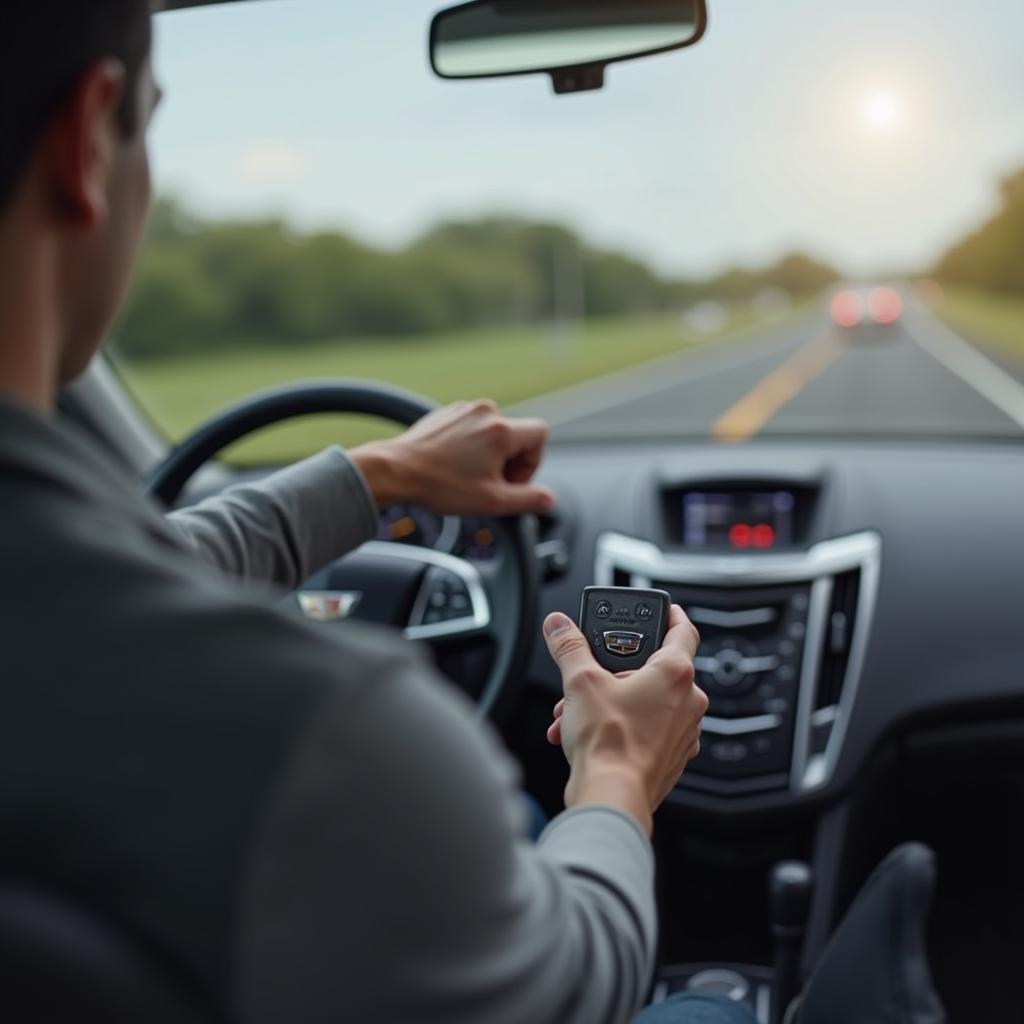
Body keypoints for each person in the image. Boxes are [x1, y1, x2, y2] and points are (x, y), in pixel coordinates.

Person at [0, 3, 754, 1022]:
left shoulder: (57, 607)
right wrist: (617, 765)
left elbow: (142, 567)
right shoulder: (331, 740)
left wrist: (381, 474)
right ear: (90, 137)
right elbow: (572, 986)